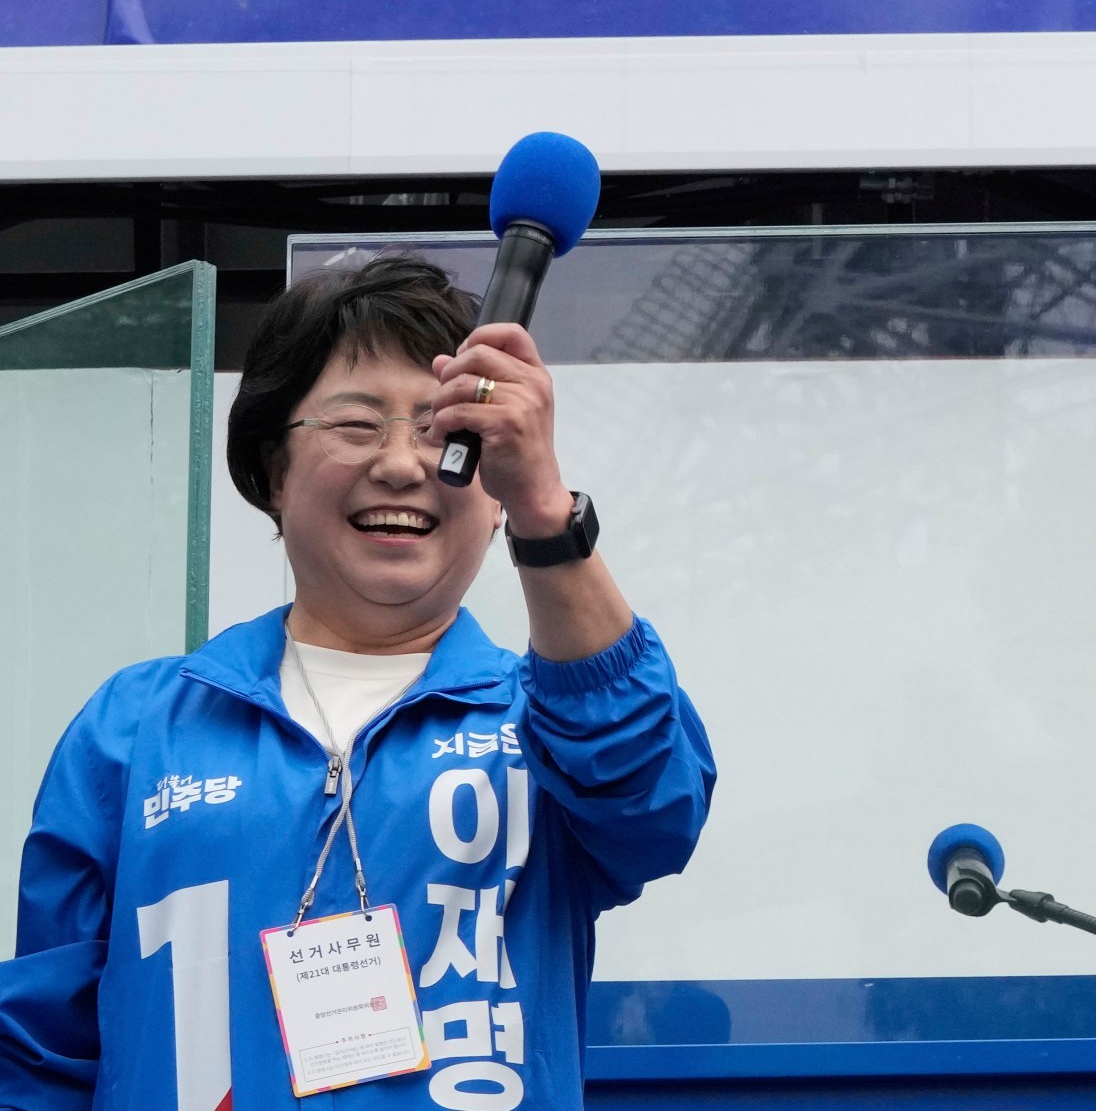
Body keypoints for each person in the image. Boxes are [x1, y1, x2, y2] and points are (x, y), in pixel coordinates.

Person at [0, 255, 715, 1111]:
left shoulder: (549, 722)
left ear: (495, 495)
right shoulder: (134, 726)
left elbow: (657, 811)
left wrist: (546, 510)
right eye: (357, 423)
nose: (403, 464)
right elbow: (41, 1053)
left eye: (444, 432)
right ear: (273, 470)